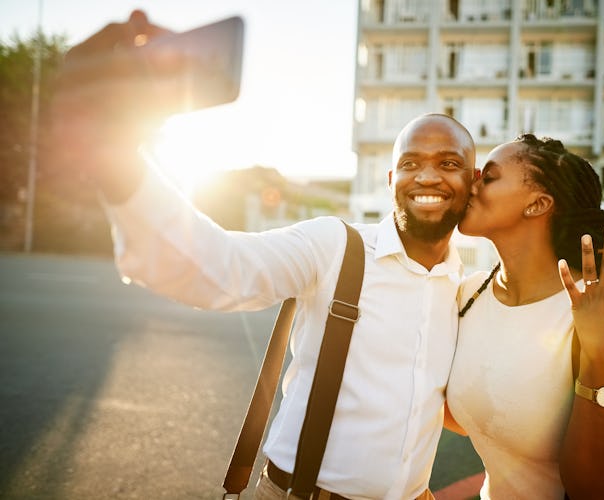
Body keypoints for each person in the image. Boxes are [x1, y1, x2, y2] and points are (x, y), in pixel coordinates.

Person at [51, 12, 478, 499]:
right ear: (390, 182)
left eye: (449, 164)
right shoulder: (335, 245)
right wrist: (118, 161)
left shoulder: (463, 288)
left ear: (473, 181)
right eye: (410, 163)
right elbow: (220, 269)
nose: (427, 177)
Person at [445, 134, 604, 499]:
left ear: (537, 203)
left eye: (488, 177)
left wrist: (601, 358)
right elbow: (481, 414)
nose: (471, 184)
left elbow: (595, 488)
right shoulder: (467, 294)